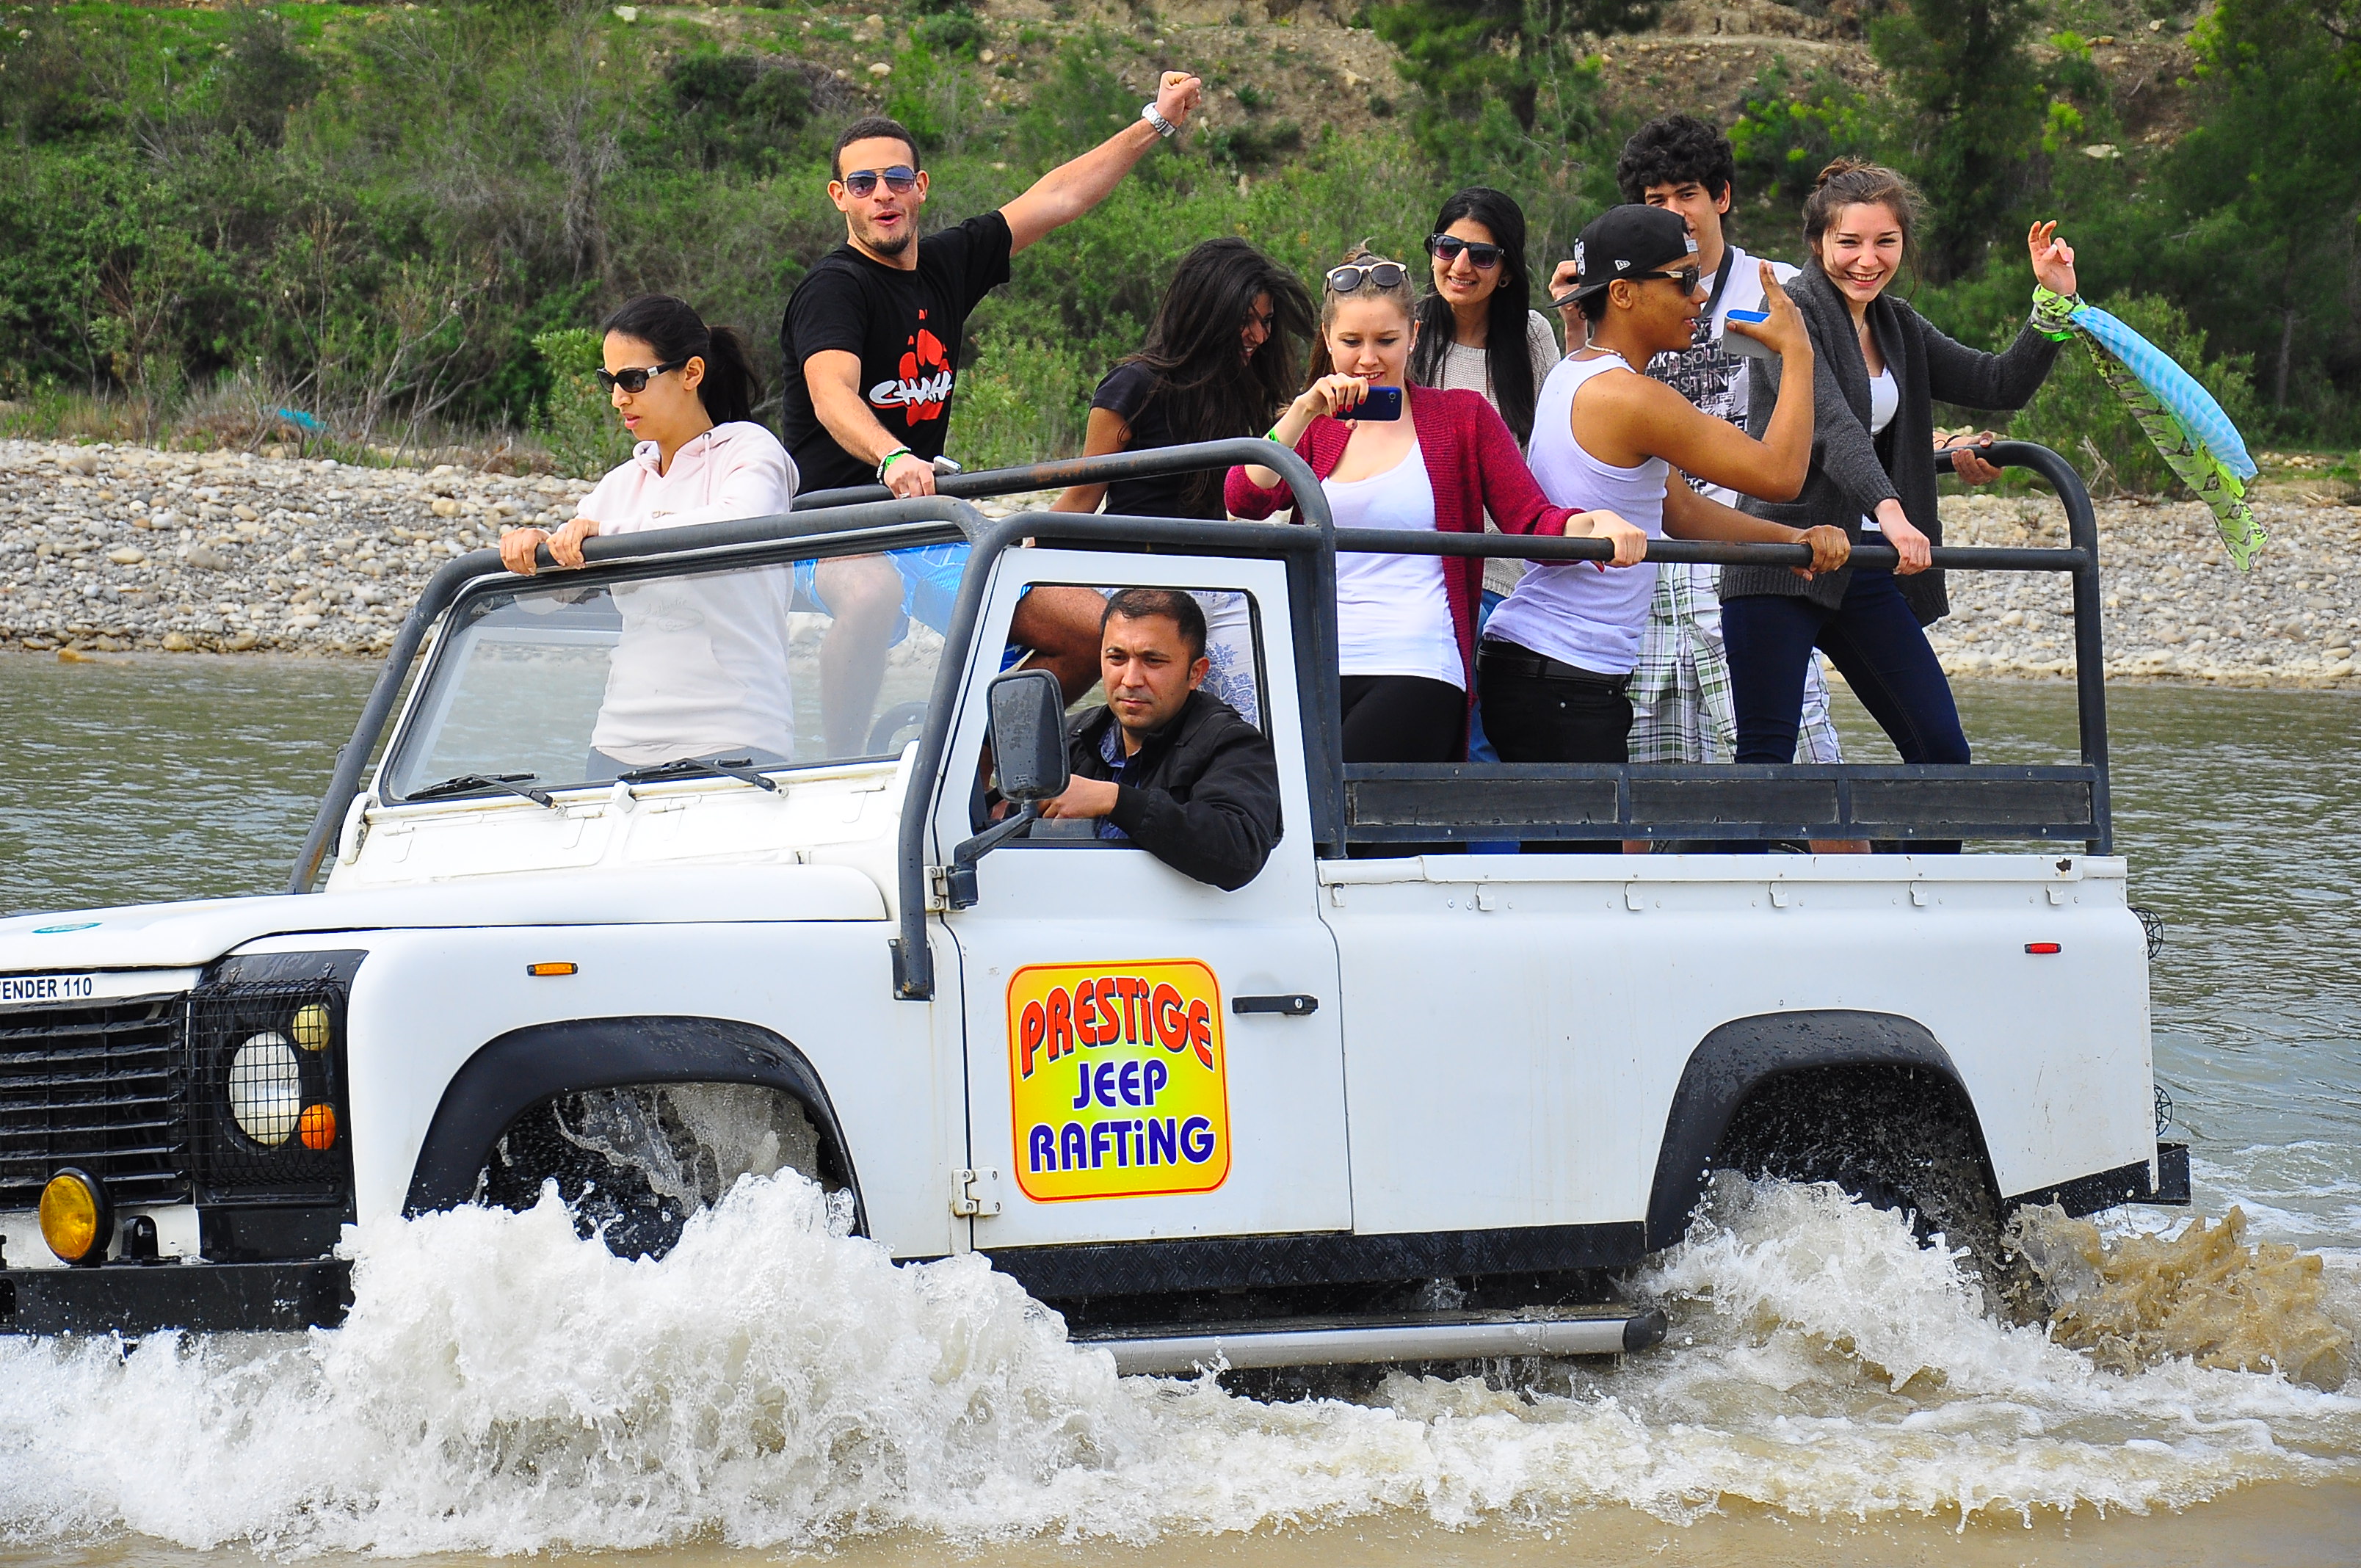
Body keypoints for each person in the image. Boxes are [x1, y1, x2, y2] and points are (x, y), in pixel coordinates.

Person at [777, 83, 1205, 748]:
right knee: (871, 594)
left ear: (920, 187)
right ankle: (843, 769)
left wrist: (1155, 122)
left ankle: (968, 762)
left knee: (1095, 635)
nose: (882, 194)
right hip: (834, 525)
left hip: (921, 523)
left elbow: (1058, 198)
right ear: (841, 197)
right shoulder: (834, 289)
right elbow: (831, 394)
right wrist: (892, 456)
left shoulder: (947, 264)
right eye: (863, 183)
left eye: (896, 179)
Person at [1719, 161, 2078, 788]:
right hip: (1782, 557)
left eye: (1885, 242)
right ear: (1818, 243)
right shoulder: (1785, 312)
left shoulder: (1898, 323)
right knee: (1767, 762)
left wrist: (2053, 301)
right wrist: (1891, 510)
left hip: (1861, 565)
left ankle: (1910, 858)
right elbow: (1830, 422)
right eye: (1849, 243)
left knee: (1942, 751)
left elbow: (1999, 383)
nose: (1868, 261)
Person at [1225, 244, 1644, 767]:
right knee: (1292, 807)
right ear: (1327, 340)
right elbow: (1245, 496)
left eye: (1387, 340)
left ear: (1414, 336)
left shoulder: (1462, 416)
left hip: (1418, 662)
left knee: (1332, 795)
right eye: (1351, 342)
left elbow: (1530, 519)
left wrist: (1595, 523)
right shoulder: (1313, 428)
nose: (1369, 359)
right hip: (1319, 664)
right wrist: (1304, 410)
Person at [1480, 206, 1851, 772]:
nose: (1699, 296)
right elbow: (1781, 475)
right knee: (1590, 835)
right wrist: (1798, 353)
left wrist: (1790, 541)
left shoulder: (1577, 371)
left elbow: (1679, 511)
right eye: (1683, 279)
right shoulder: (1630, 398)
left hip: (1547, 665)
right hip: (1563, 672)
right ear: (1623, 293)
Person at [1568, 115, 1849, 771]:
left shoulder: (1779, 288)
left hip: (1748, 557)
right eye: (1656, 201)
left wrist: (1935, 440)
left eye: (1688, 194)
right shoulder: (1623, 302)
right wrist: (1582, 322)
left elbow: (1845, 401)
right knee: (1651, 779)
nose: (1676, 214)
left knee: (1798, 764)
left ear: (1722, 196)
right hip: (1650, 560)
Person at [498, 295, 799, 777]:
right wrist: (531, 552)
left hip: (736, 737)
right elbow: (545, 600)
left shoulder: (750, 451)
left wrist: (606, 536)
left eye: (633, 380)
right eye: (610, 381)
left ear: (691, 373)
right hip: (618, 742)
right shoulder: (620, 484)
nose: (618, 398)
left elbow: (736, 527)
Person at [1049, 237, 1315, 725]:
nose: (1259, 335)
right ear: (1209, 313)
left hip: (1219, 579)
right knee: (1146, 704)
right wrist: (1017, 557)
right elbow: (1083, 496)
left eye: (1267, 321)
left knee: (1256, 726)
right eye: (1247, 320)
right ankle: (989, 747)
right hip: (1137, 577)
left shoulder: (1245, 390)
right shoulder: (1133, 386)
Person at [1040, 588, 1281, 890]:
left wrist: (1114, 800)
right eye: (1117, 658)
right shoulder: (1070, 737)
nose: (1130, 679)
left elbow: (1240, 849)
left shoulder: (1232, 743)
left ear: (1195, 673)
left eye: (1152, 661)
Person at [1410, 186, 1564, 610]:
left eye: (1481, 256)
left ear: (1507, 271)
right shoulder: (1403, 333)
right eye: (1448, 248)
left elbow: (1553, 447)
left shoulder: (1532, 336)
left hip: (1506, 582)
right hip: (1419, 573)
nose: (1460, 266)